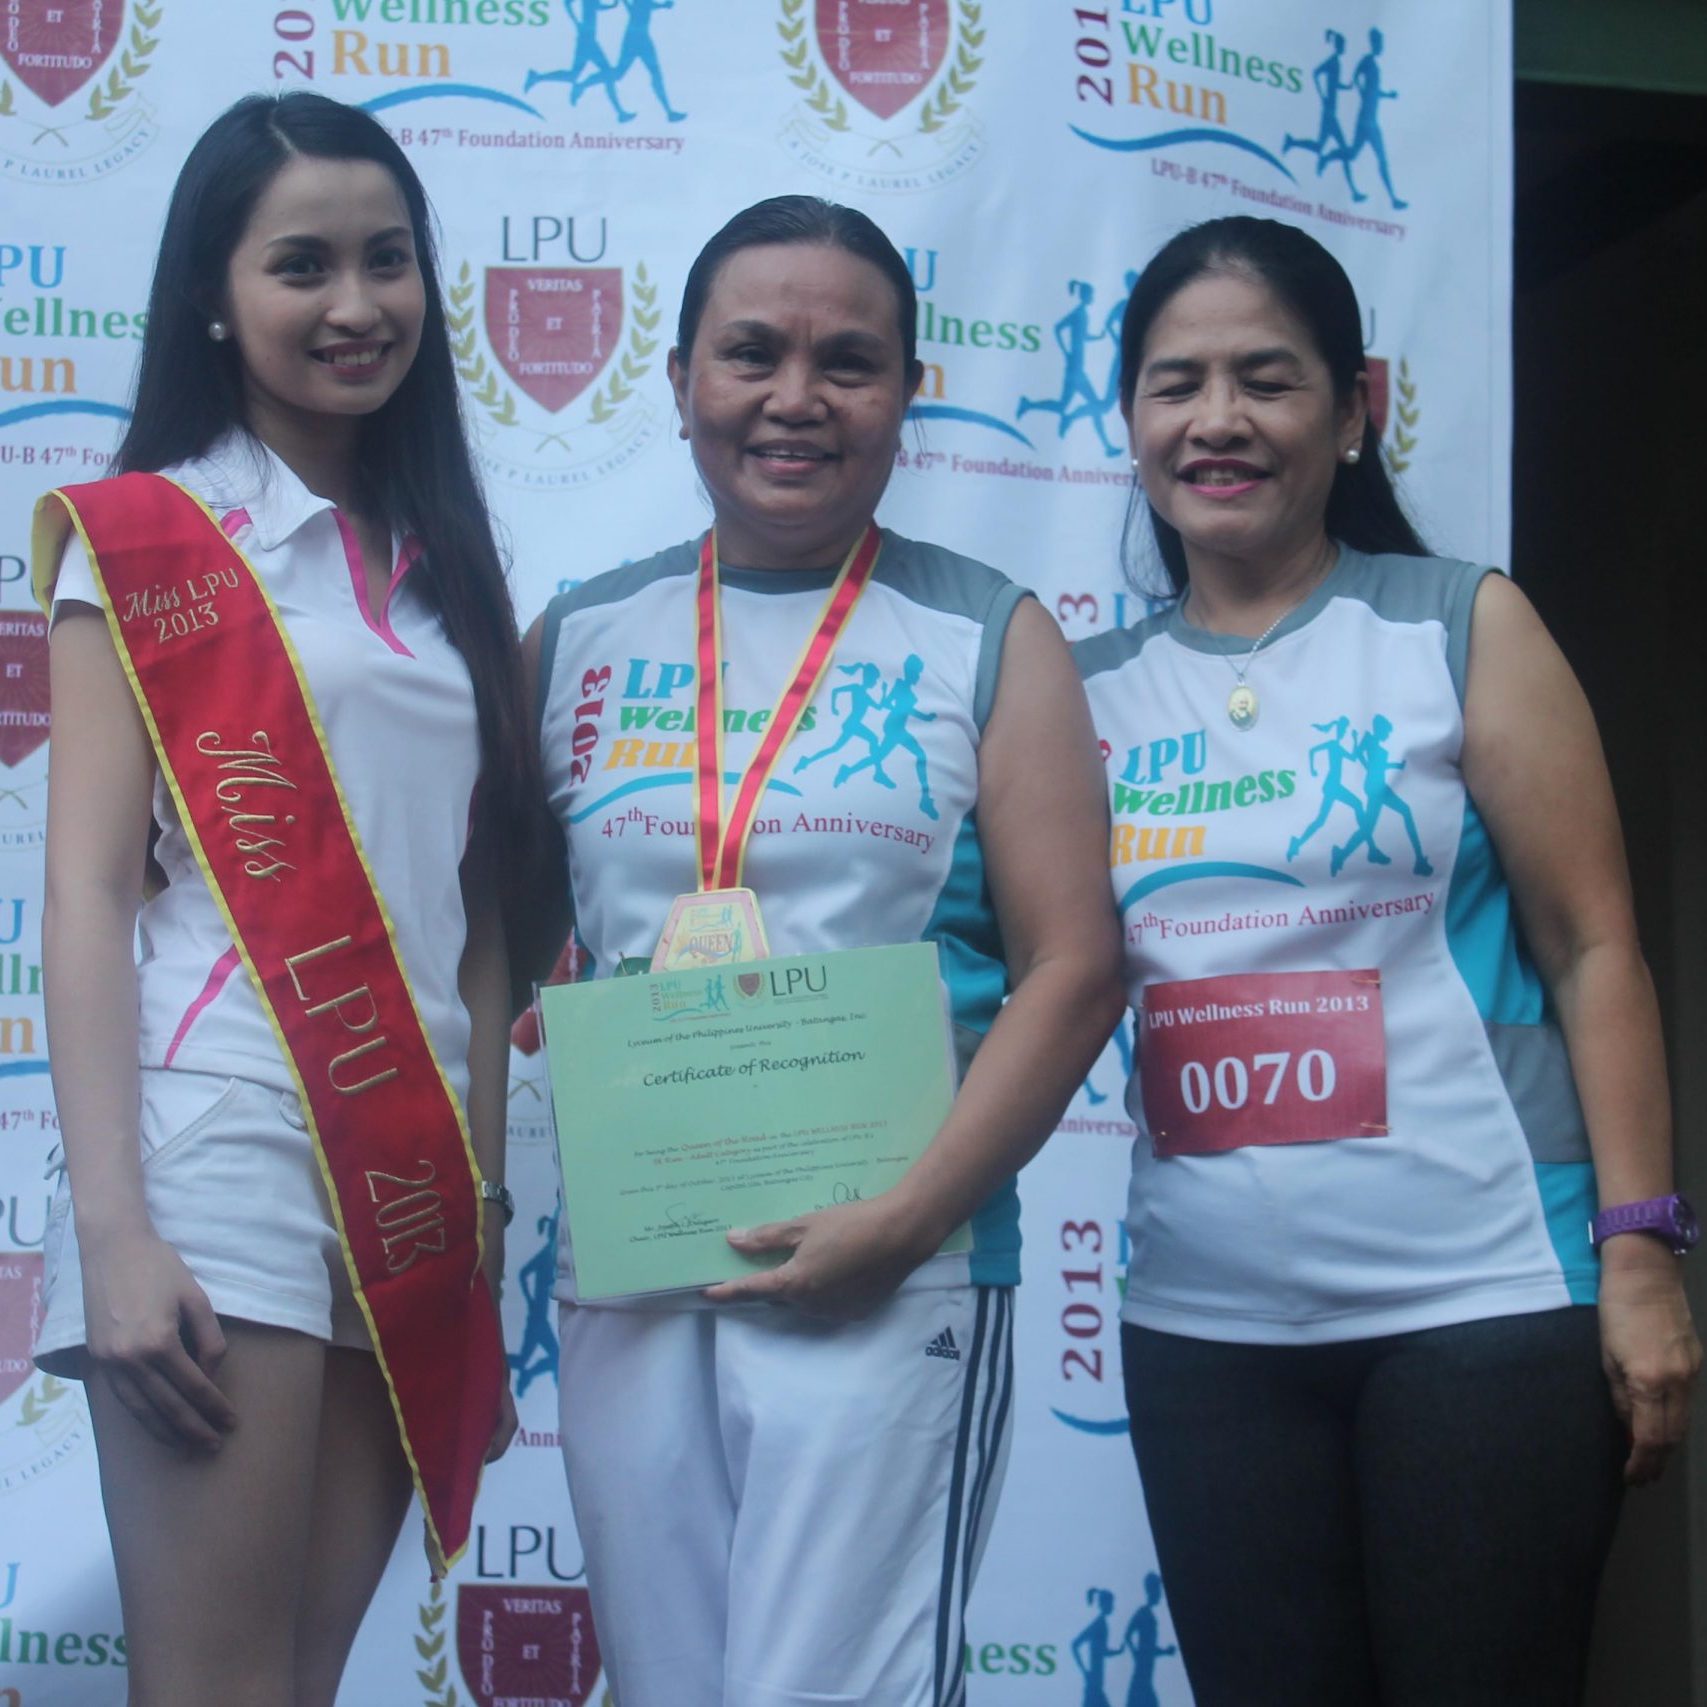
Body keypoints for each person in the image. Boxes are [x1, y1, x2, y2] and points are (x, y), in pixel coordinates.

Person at [1073, 215, 1701, 1707]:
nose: (1218, 419)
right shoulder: (1079, 692)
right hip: (1205, 1328)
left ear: (1354, 411)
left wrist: (1641, 1253)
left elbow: (1594, 948)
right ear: (1132, 421)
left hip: (1484, 1300)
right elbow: (1012, 965)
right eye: (1176, 384)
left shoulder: (1461, 624)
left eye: (1266, 379)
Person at [525, 193, 1123, 1706]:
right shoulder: (580, 635)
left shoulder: (987, 633)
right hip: (635, 1264)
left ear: (909, 392)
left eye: (848, 362)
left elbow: (1074, 967)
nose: (796, 397)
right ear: (678, 381)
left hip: (888, 1267)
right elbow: (500, 936)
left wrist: (910, 1221)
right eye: (752, 354)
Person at [31, 91, 544, 1707]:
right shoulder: (144, 541)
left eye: (388, 260)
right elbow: (84, 893)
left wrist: (480, 1224)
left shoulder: (445, 567)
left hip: (410, 1183)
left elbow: (479, 926)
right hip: (221, 1145)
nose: (356, 303)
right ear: (214, 293)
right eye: (302, 265)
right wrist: (115, 1230)